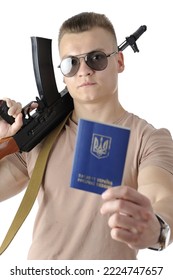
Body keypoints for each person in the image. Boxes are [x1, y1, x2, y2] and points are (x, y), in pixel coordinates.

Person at [0, 12, 173, 260]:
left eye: (97, 58)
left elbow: (161, 196)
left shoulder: (148, 139)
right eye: (71, 63)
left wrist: (157, 229)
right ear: (62, 74)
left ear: (120, 61)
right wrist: (4, 141)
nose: (84, 71)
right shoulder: (40, 138)